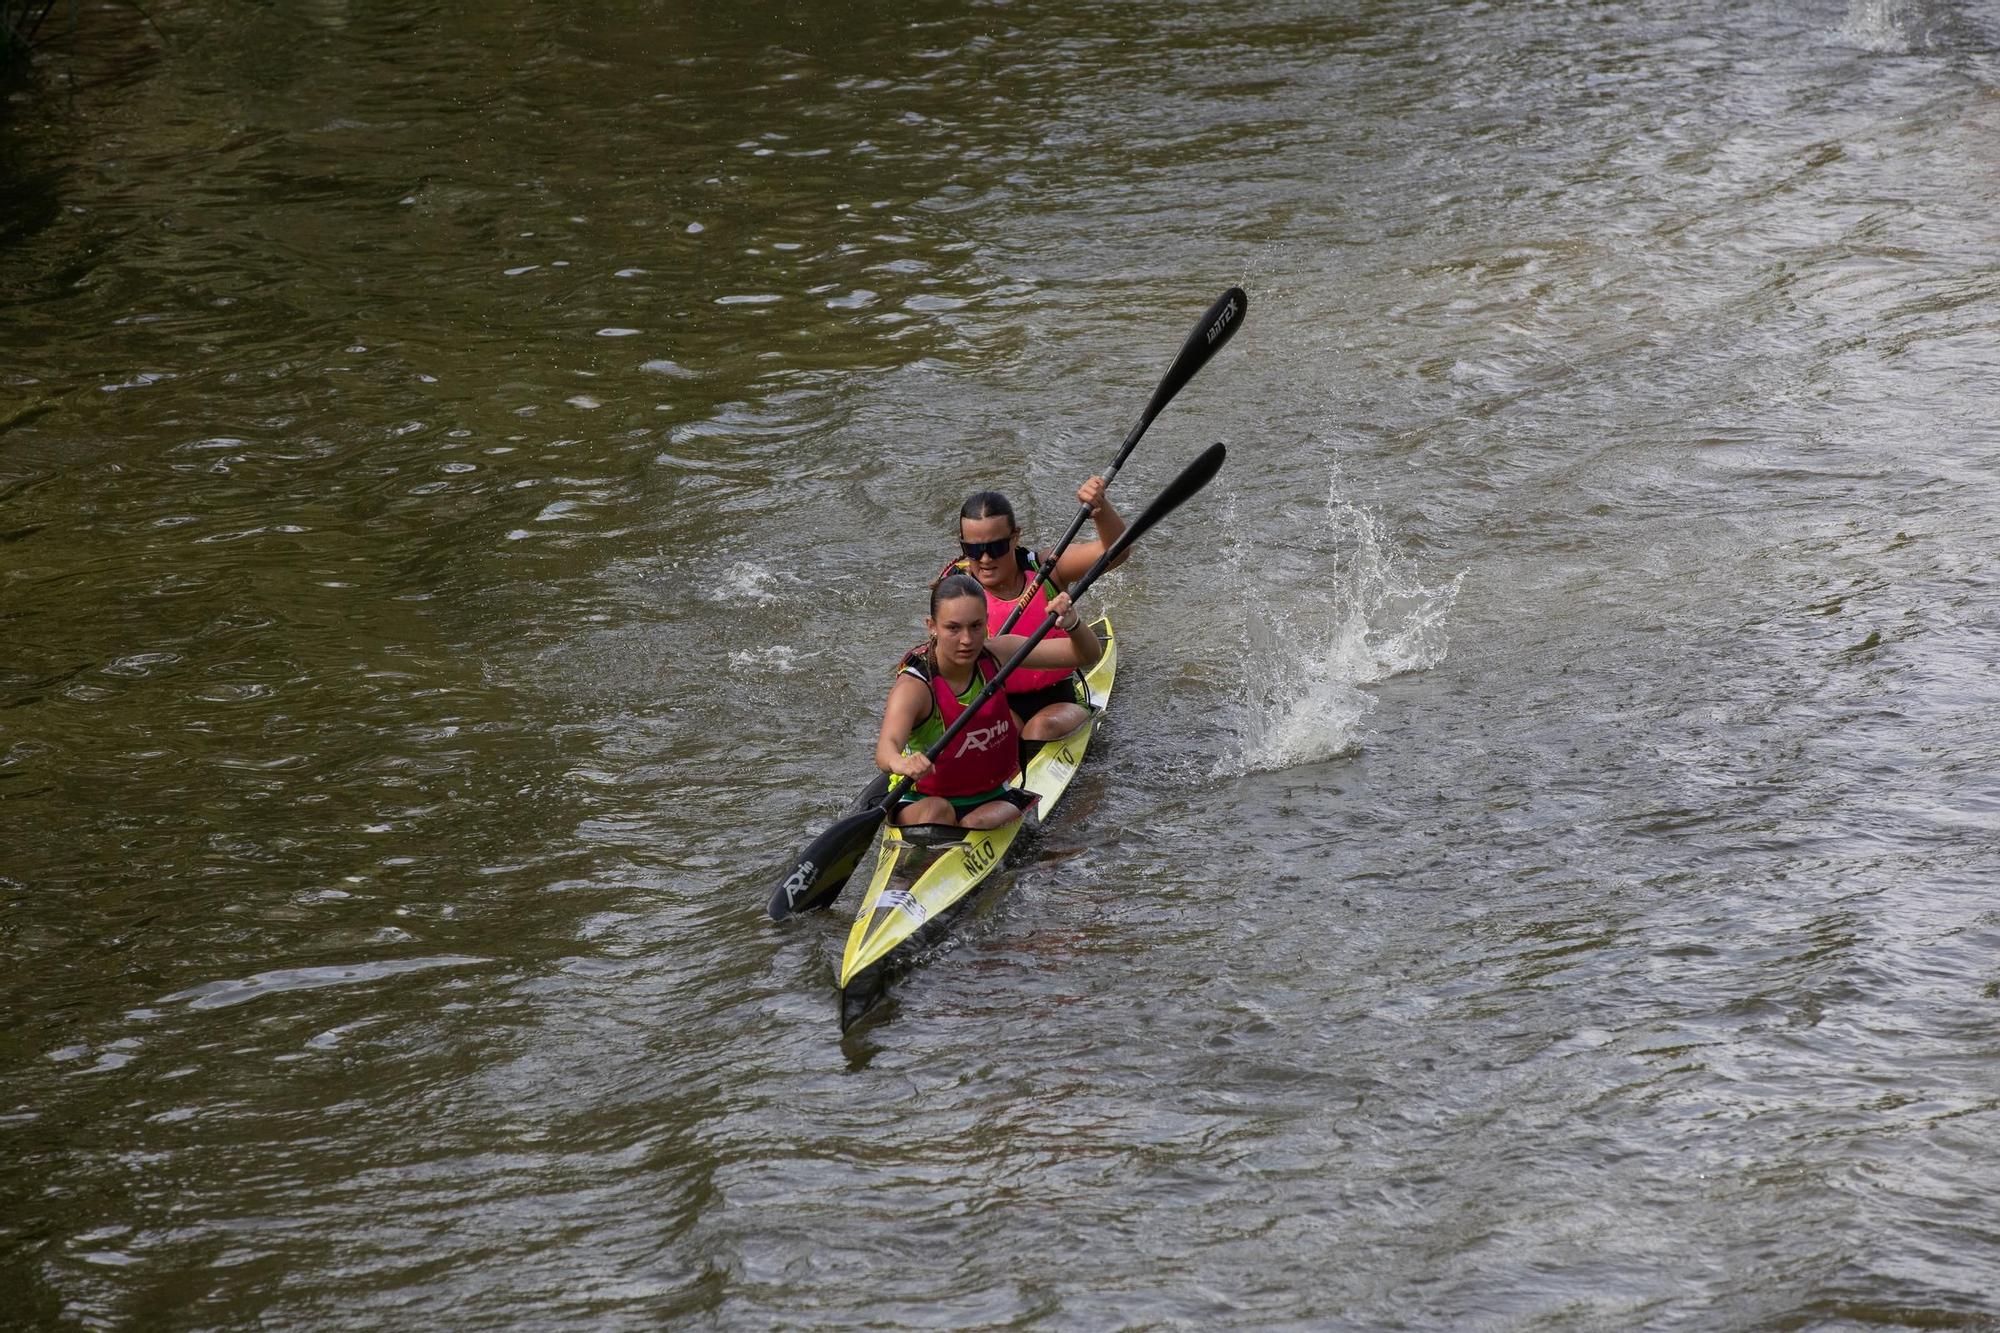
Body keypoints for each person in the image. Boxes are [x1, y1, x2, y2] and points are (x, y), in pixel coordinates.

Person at [874, 573, 1103, 829]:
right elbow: (886, 750)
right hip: (923, 801)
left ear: (987, 623)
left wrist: (1073, 623)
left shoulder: (998, 653)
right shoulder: (914, 687)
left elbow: (1086, 654)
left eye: (975, 626)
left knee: (978, 821)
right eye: (953, 628)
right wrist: (901, 762)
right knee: (938, 812)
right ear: (932, 626)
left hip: (990, 798)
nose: (967, 640)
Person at [944, 476, 1129, 743]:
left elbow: (1116, 552)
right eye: (973, 549)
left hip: (1058, 700)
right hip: (997, 703)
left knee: (1038, 730)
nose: (985, 559)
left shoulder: (1047, 568)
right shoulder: (956, 590)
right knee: (1006, 732)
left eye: (996, 547)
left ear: (1015, 536)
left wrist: (1101, 510)